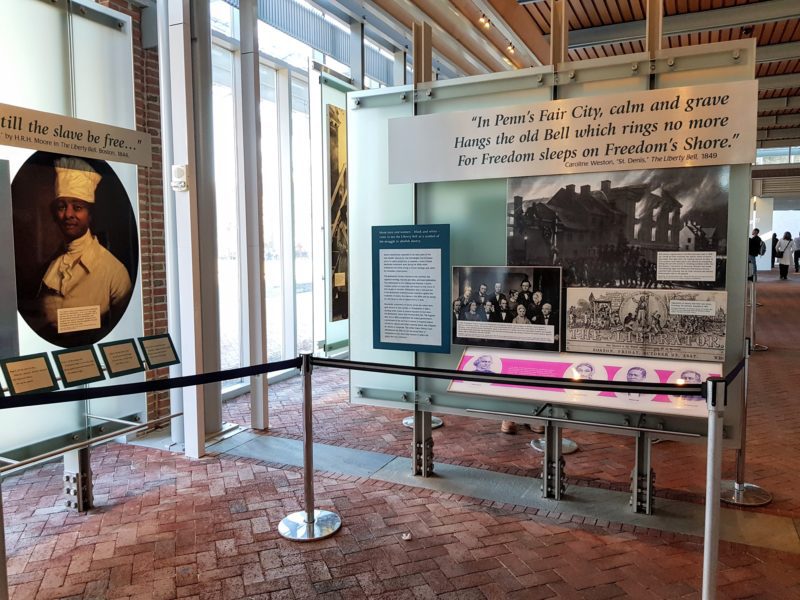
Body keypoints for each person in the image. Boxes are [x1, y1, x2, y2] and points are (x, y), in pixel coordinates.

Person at [37, 157, 132, 342]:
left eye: (78, 207)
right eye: (62, 207)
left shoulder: (115, 272)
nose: (69, 214)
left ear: (90, 215)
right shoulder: (49, 265)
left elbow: (124, 328)